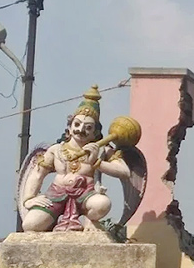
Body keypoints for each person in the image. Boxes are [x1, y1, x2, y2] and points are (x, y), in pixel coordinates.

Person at [19, 86, 136, 232]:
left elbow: (124, 171)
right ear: (69, 127)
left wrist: (96, 162)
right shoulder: (56, 150)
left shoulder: (101, 150)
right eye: (77, 124)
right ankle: (53, 222)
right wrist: (29, 198)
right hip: (56, 194)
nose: (80, 130)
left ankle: (90, 220)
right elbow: (37, 174)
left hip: (86, 195)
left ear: (95, 132)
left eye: (88, 127)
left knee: (102, 204)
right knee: (30, 225)